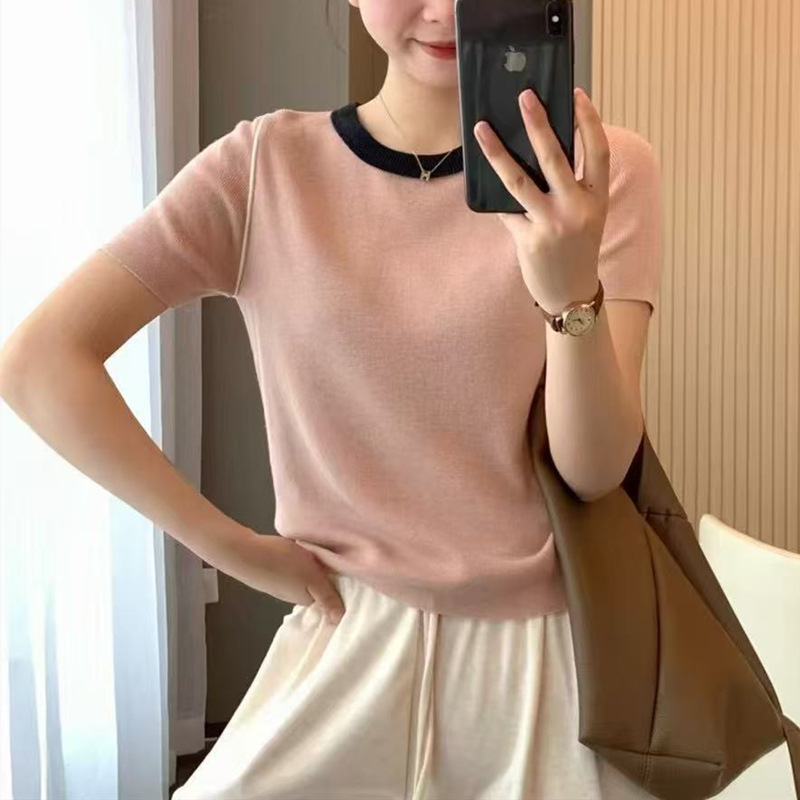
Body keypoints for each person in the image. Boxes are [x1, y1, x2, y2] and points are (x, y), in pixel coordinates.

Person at [0, 1, 663, 798]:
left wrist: (569, 292)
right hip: (343, 644)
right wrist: (227, 546)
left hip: (546, 669)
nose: (442, 10)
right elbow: (40, 361)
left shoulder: (603, 171)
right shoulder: (264, 169)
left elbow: (595, 471)